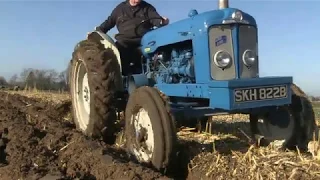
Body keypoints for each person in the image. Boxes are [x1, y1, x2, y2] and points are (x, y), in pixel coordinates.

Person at [93, 0, 169, 75]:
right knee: (117, 54)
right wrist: (97, 32)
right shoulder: (120, 8)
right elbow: (109, 22)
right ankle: (123, 76)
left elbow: (156, 19)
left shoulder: (147, 8)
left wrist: (162, 22)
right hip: (124, 41)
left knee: (155, 51)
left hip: (143, 41)